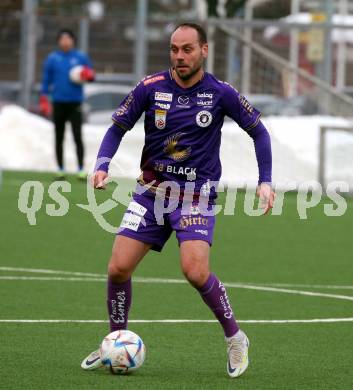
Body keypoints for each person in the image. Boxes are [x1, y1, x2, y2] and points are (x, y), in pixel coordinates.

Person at [81, 22, 275, 378]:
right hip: (151, 193)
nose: (179, 56)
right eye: (174, 49)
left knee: (195, 270)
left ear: (204, 50)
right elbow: (116, 128)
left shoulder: (220, 93)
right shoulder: (150, 87)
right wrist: (102, 164)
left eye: (187, 49)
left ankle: (236, 338)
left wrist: (265, 181)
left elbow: (258, 132)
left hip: (195, 197)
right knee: (118, 267)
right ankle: (116, 339)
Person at [39, 28, 95, 179]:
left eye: (68, 38)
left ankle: (81, 169)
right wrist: (43, 98)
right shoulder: (52, 59)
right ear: (58, 41)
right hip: (58, 102)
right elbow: (46, 80)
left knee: (77, 136)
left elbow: (91, 76)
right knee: (59, 136)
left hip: (75, 103)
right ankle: (60, 168)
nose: (65, 41)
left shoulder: (80, 57)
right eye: (62, 39)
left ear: (73, 40)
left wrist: (88, 75)